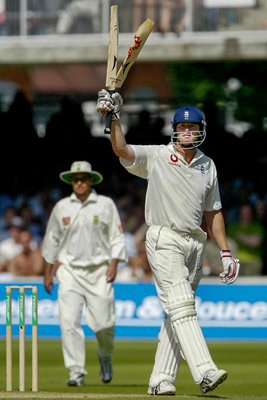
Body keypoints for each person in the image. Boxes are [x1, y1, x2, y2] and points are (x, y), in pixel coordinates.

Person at [96, 91, 240, 395]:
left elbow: (213, 213)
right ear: (174, 130)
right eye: (182, 127)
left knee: (175, 312)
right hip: (164, 237)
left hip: (196, 244)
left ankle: (161, 379)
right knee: (183, 306)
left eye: (192, 127)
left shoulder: (207, 165)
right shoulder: (158, 156)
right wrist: (113, 116)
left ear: (201, 130)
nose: (187, 131)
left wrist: (225, 252)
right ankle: (205, 371)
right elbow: (121, 149)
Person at [42, 160, 127, 387]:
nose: (79, 182)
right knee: (68, 322)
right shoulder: (62, 207)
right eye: (75, 179)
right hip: (69, 271)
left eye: (83, 178)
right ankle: (76, 371)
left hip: (99, 271)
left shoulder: (105, 204)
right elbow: (51, 240)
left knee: (104, 324)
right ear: (72, 182)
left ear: (91, 180)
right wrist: (47, 273)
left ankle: (105, 355)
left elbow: (117, 236)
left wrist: (114, 263)